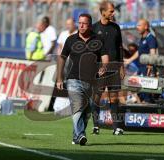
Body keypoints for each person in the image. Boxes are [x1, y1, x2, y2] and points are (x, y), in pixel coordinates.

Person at [56, 13, 109, 145]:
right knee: (78, 107)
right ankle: (81, 135)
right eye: (79, 23)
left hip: (92, 81)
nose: (81, 26)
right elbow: (62, 58)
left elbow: (105, 57)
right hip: (73, 79)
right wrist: (59, 77)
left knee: (88, 110)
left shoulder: (99, 39)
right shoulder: (70, 39)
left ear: (90, 25)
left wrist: (104, 67)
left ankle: (76, 136)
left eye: (84, 23)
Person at [91, 1, 125, 135]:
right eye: (111, 11)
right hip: (99, 68)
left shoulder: (116, 28)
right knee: (97, 97)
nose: (113, 13)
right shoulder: (93, 28)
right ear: (103, 12)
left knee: (114, 97)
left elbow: (120, 47)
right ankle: (95, 126)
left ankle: (116, 127)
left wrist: (122, 66)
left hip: (115, 67)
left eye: (113, 11)